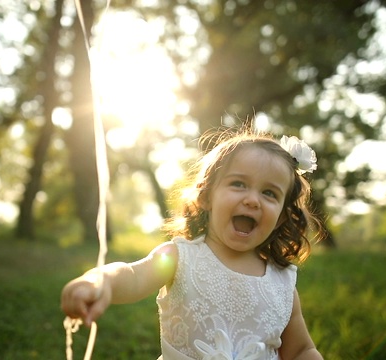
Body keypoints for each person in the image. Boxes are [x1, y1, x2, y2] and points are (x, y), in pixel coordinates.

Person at [61, 126, 325, 360]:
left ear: (280, 218)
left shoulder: (282, 283)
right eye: (238, 184)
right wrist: (101, 281)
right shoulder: (180, 258)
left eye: (269, 193)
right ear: (207, 197)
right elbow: (133, 275)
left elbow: (300, 350)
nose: (253, 200)